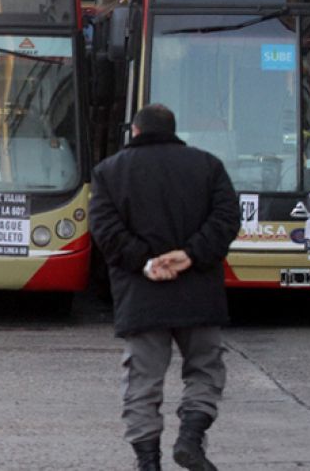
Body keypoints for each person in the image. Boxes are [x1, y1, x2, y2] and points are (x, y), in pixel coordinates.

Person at [89, 104, 240, 471]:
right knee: (205, 369)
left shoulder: (109, 172)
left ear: (135, 132)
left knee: (142, 381)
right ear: (174, 131)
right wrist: (190, 255)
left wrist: (146, 262)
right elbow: (227, 218)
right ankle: (190, 437)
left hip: (142, 297)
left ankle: (148, 463)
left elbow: (105, 229)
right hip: (198, 293)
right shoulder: (208, 165)